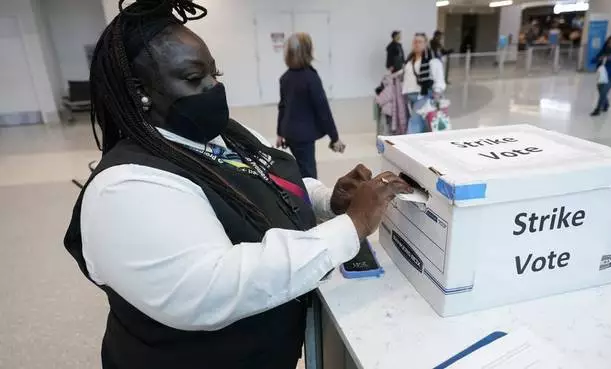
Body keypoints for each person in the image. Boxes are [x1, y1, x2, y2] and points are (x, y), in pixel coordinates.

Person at [62, 1, 411, 368]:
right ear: (139, 91)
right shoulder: (126, 188)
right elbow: (213, 286)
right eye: (194, 78)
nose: (213, 87)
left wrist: (328, 201)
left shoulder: (222, 135)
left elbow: (263, 181)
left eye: (216, 74)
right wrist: (351, 226)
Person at [277, 33, 344, 179]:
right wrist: (335, 138)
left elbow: (282, 107)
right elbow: (323, 110)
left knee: (300, 169)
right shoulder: (311, 78)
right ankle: (308, 201)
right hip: (303, 136)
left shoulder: (285, 78)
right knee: (309, 174)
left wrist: (280, 133)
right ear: (308, 51)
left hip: (289, 133)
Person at [402, 33, 446, 134]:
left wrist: (437, 93)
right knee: (421, 122)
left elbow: (439, 79)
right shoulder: (409, 60)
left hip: (423, 96)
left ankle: (411, 144)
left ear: (425, 44)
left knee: (414, 122)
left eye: (420, 42)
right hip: (409, 96)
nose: (416, 44)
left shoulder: (432, 60)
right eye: (415, 42)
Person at [591, 36, 611, 116]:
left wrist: (610, 59)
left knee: (604, 90)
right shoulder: (604, 50)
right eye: (610, 42)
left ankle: (598, 108)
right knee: (600, 88)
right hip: (602, 73)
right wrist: (598, 59)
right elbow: (593, 60)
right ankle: (606, 103)